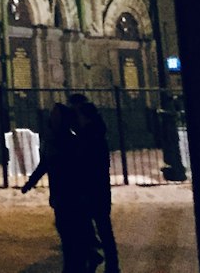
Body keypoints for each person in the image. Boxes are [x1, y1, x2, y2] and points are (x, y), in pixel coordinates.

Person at [21, 103, 94, 273]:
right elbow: (44, 165)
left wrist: (86, 193)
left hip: (72, 196)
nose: (52, 118)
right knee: (66, 230)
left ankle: (76, 264)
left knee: (70, 232)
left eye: (56, 115)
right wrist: (30, 184)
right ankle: (81, 259)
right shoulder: (53, 140)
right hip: (60, 196)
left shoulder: (70, 141)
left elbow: (82, 169)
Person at [68, 94, 120, 273]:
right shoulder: (93, 134)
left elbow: (87, 164)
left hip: (92, 189)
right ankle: (106, 259)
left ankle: (110, 262)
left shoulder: (90, 139)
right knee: (97, 226)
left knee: (99, 226)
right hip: (98, 188)